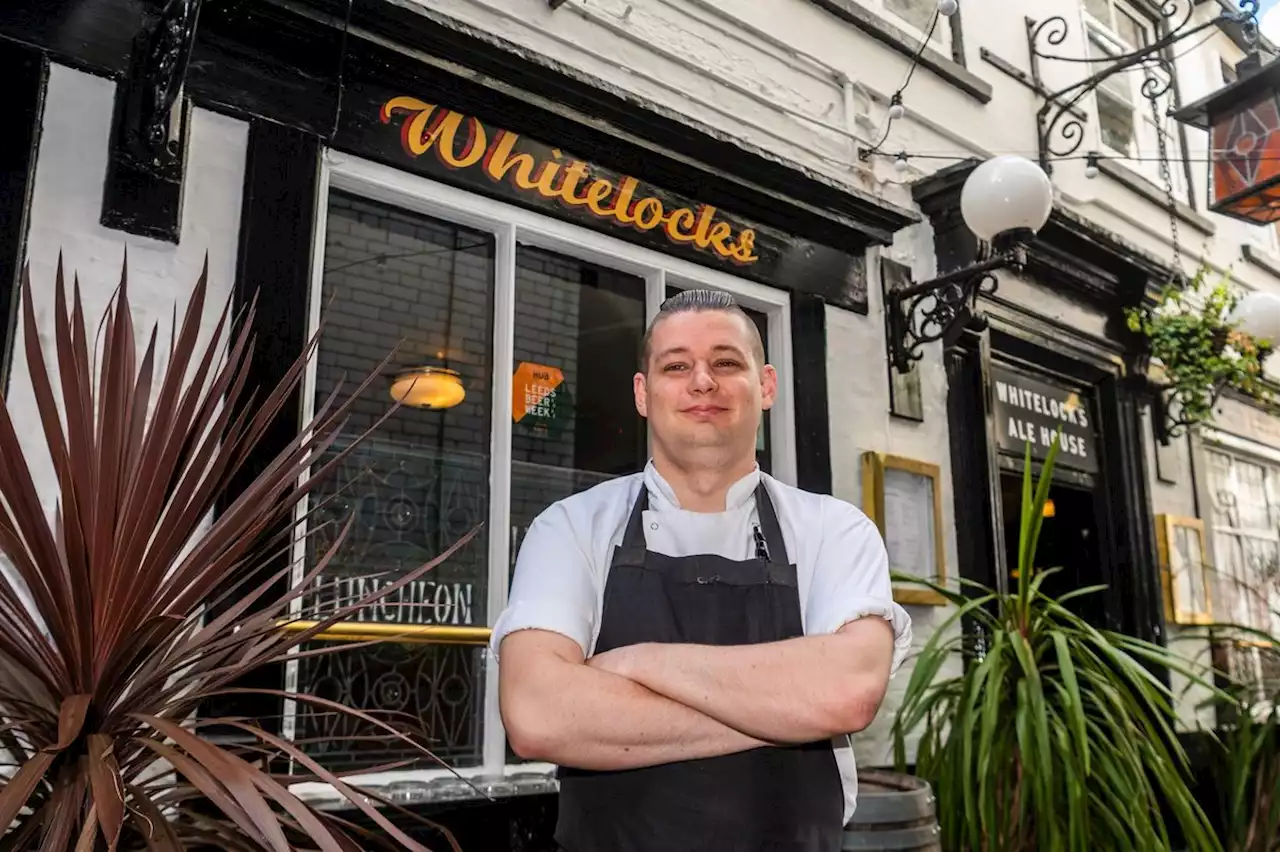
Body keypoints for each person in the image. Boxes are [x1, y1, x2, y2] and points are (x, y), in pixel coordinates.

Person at [492, 289, 912, 852]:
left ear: (765, 386)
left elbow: (849, 691)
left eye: (725, 362)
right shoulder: (570, 527)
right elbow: (537, 713)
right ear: (643, 393)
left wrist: (635, 664)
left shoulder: (834, 529)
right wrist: (785, 711)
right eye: (676, 366)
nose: (702, 382)